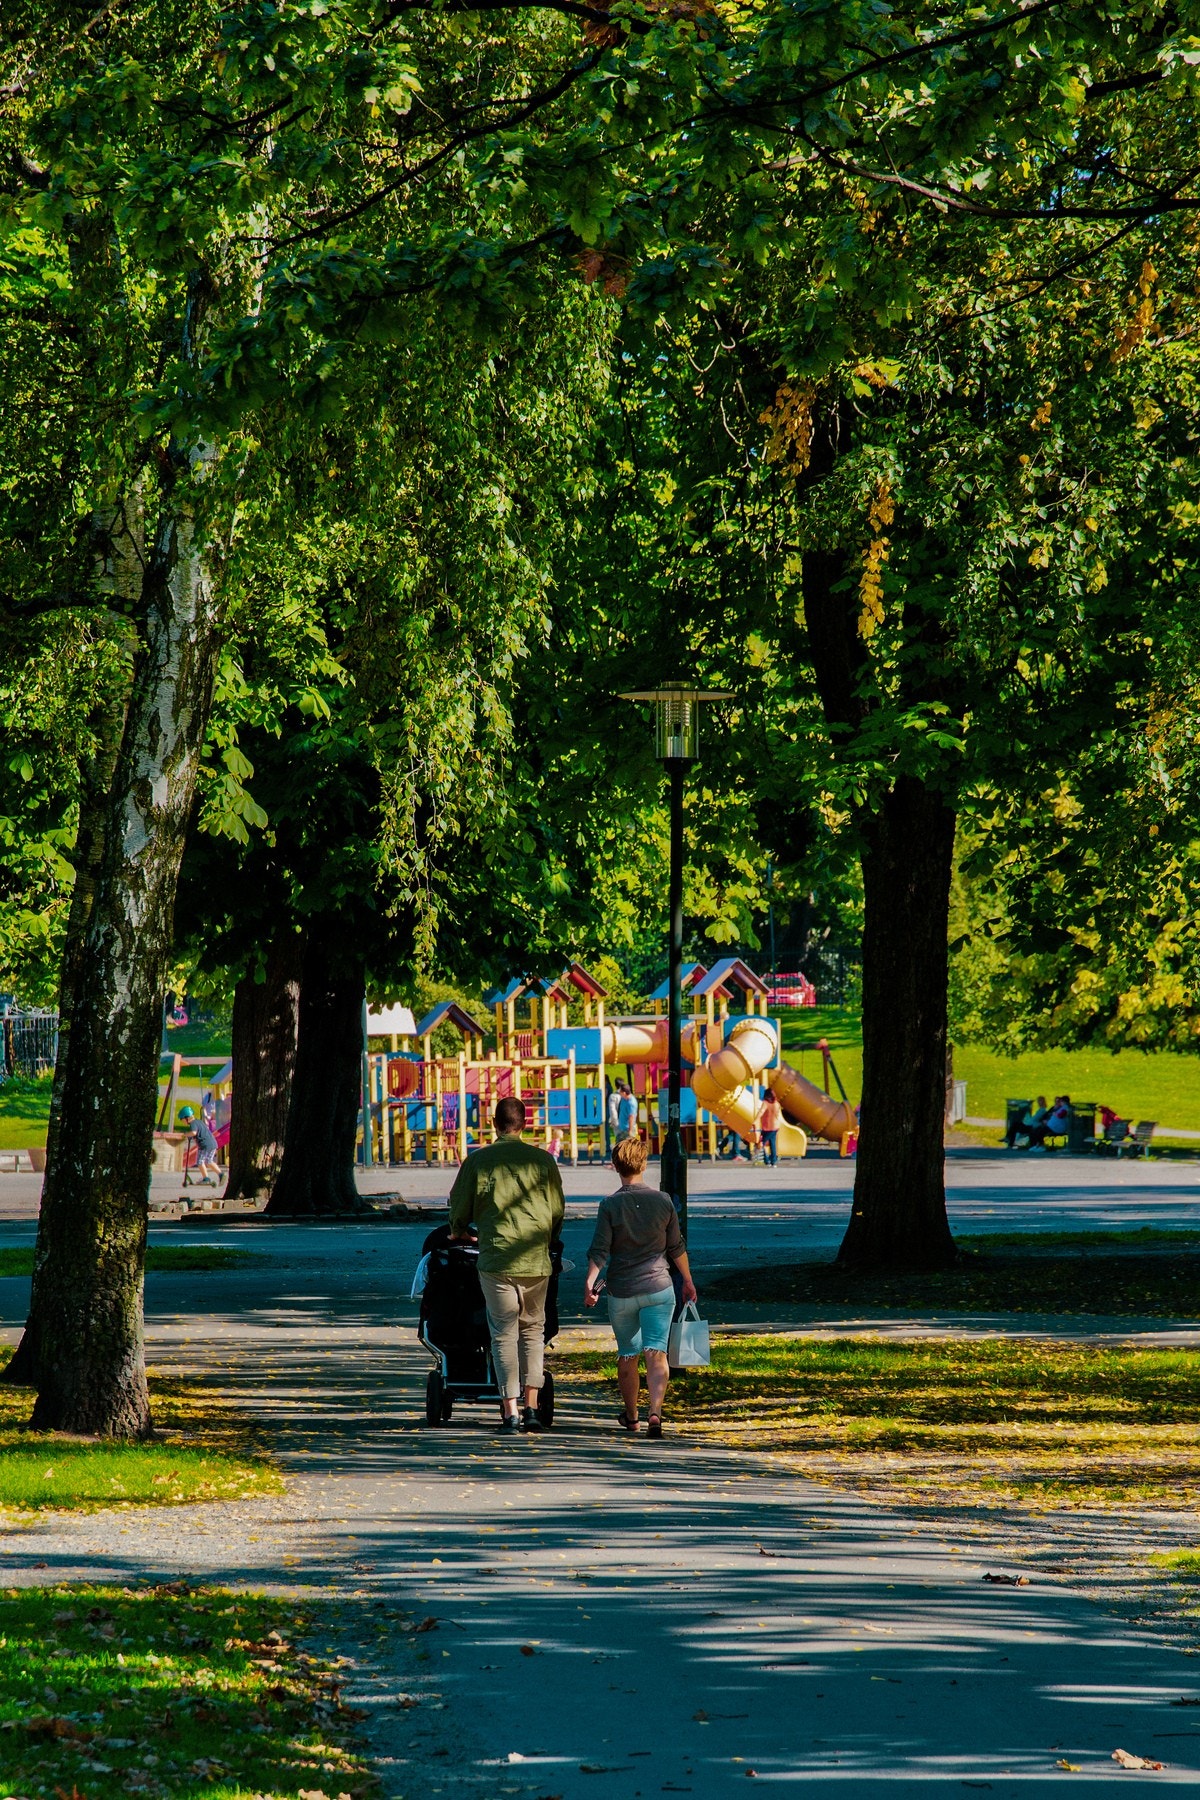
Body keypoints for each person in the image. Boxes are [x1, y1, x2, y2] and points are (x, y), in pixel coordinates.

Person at [448, 1096, 565, 1434]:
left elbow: (459, 1208)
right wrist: (548, 1238)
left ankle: (509, 1412)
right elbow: (557, 1210)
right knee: (533, 1331)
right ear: (524, 1124)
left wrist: (459, 1231)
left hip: (496, 1258)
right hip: (535, 1261)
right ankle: (532, 1408)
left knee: (503, 1334)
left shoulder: (478, 1161)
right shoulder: (544, 1162)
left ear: (494, 1123)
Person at [583, 1135, 697, 1439]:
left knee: (627, 1355)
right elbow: (676, 1247)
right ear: (644, 1164)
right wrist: (687, 1280)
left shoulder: (609, 1205)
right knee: (656, 1353)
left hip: (622, 1291)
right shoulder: (663, 1201)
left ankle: (632, 1416)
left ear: (615, 1166)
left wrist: (590, 1282)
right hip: (659, 1288)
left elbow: (600, 1250)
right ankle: (655, 1412)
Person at [178, 1103, 219, 1186]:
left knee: (200, 1161)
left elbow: (194, 1132)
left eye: (182, 1120)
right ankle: (221, 1174)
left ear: (187, 1118)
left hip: (205, 1145)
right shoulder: (199, 1122)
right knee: (209, 1161)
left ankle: (206, 1178)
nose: (183, 1122)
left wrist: (185, 1134)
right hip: (212, 1143)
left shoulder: (193, 1123)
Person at [759, 1089, 783, 1167]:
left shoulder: (765, 1103)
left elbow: (761, 1112)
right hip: (775, 1126)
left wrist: (756, 1120)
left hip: (767, 1127)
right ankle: (773, 1161)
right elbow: (778, 1114)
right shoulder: (777, 1104)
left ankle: (767, 1160)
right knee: (772, 1144)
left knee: (762, 1143)